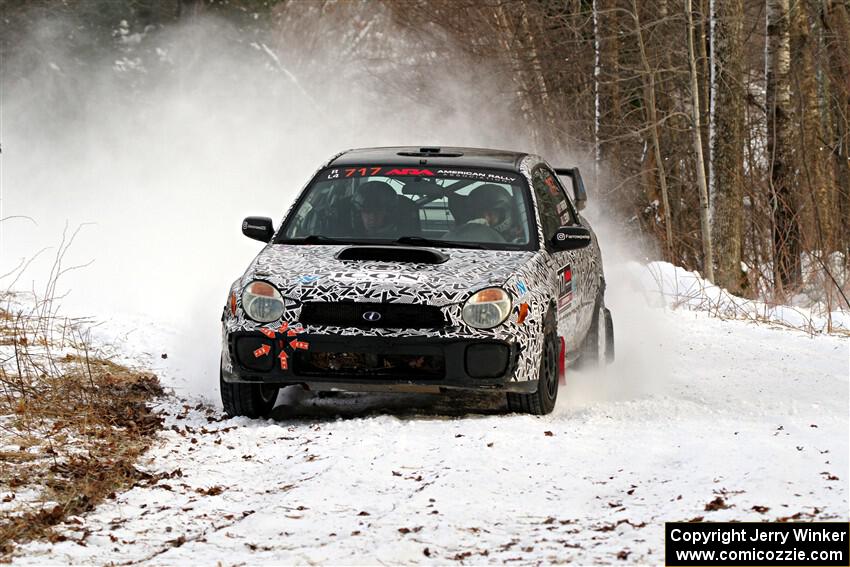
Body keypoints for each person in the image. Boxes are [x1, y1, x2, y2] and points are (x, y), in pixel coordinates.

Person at [447, 184, 520, 243]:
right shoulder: (460, 235)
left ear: (504, 215)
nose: (485, 218)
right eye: (478, 214)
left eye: (490, 215)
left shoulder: (518, 242)